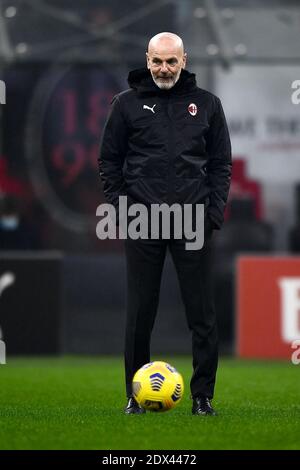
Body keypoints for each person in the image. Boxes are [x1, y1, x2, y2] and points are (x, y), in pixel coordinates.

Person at [99, 32, 232, 415]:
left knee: (202, 315)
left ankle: (202, 397)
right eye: (157, 61)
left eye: (171, 61)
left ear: (184, 61)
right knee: (140, 314)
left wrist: (212, 213)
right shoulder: (125, 105)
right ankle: (134, 395)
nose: (164, 69)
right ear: (147, 59)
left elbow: (221, 164)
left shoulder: (207, 104)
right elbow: (109, 162)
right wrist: (124, 210)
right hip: (143, 221)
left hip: (193, 221)